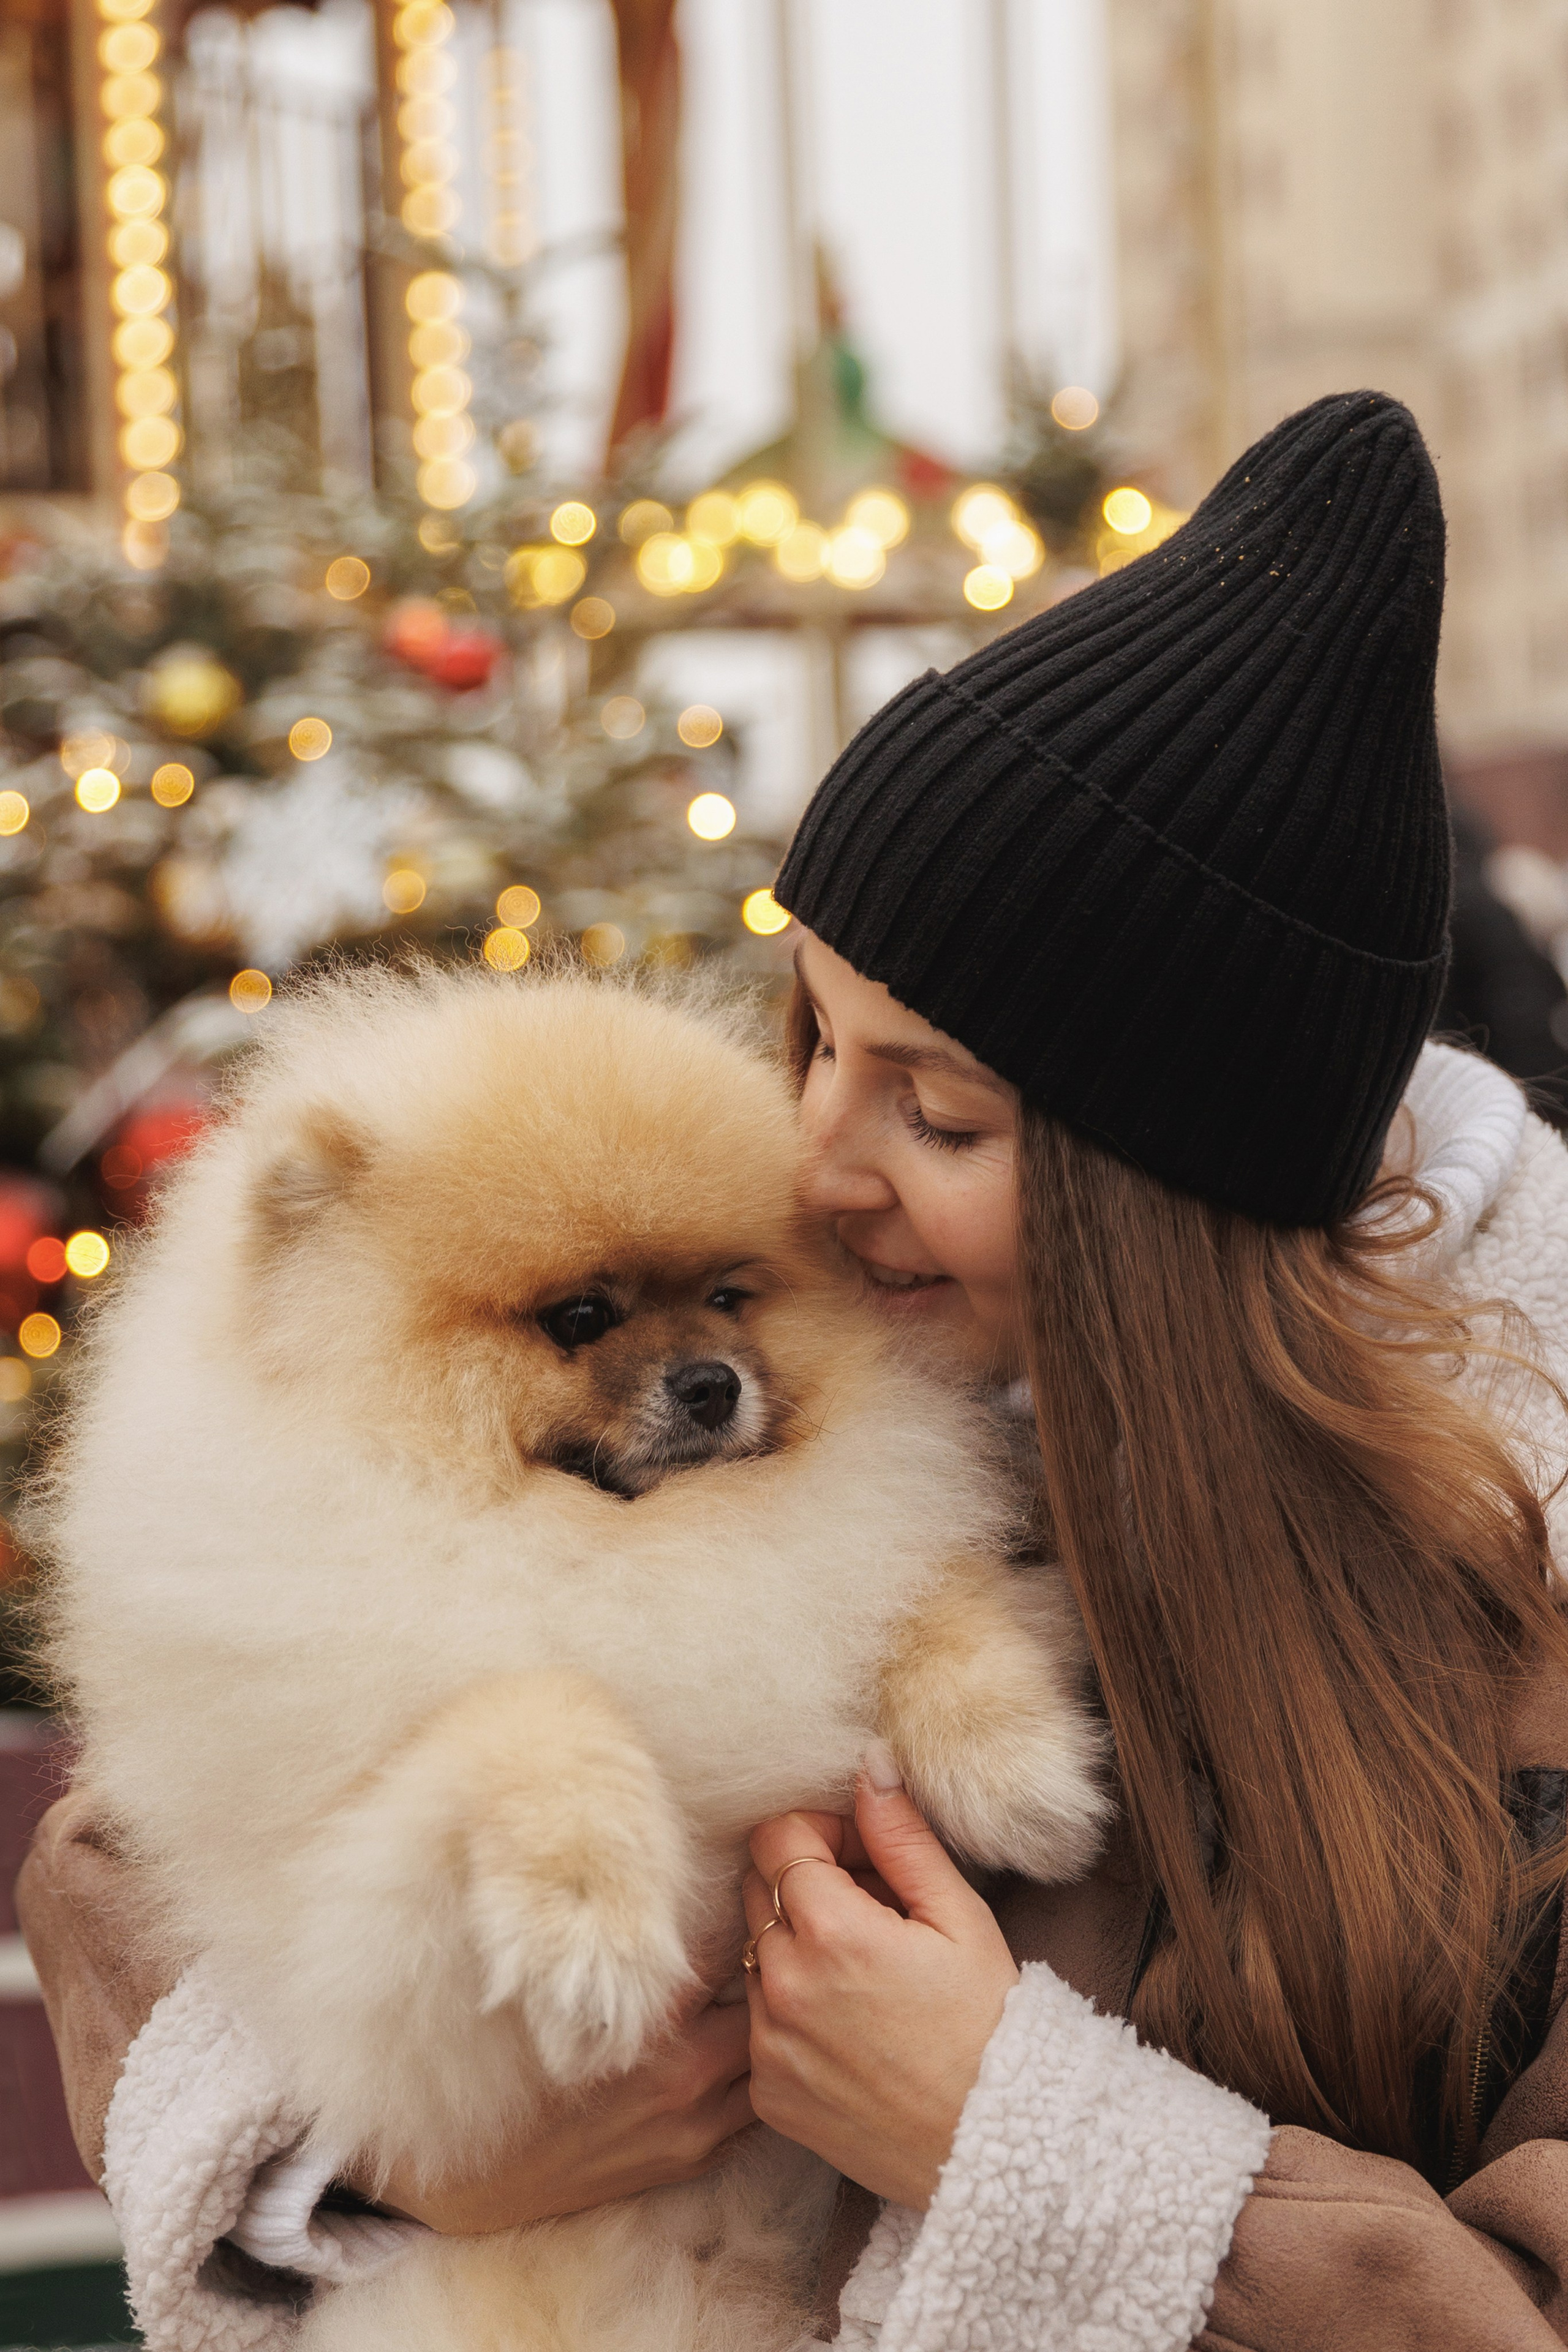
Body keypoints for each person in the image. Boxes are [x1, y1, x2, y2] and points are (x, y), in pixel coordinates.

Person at [22, 390, 1568, 2350]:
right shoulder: (875, 1381)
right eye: (813, 1037)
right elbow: (143, 1834)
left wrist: (1024, 2139)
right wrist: (387, 2153)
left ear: (1154, 1189)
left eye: (936, 1111)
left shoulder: (1525, 1571)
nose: (819, 1167)